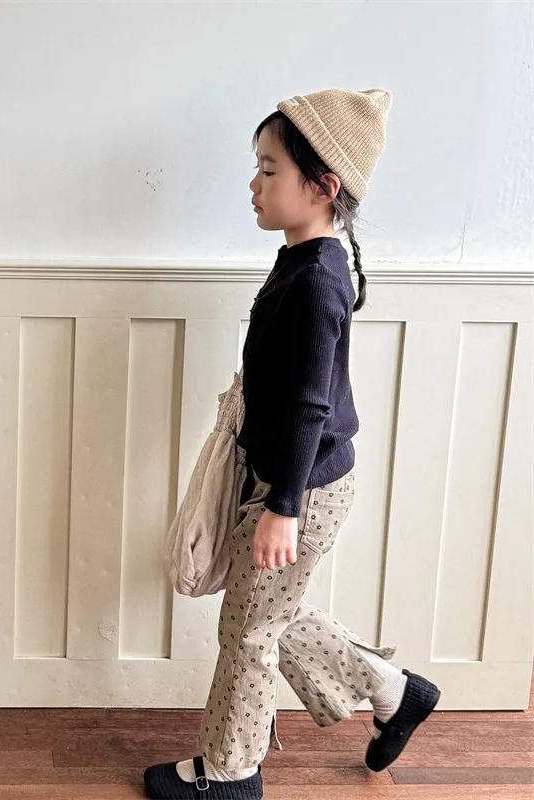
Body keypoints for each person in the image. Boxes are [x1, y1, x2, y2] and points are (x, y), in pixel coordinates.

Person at [144, 88, 441, 800]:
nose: (254, 183)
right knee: (267, 611)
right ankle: (393, 690)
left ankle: (232, 771)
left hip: (302, 487)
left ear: (323, 186)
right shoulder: (301, 260)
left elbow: (311, 405)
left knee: (249, 632)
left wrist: (283, 507)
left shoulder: (316, 280)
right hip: (287, 477)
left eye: (269, 169)